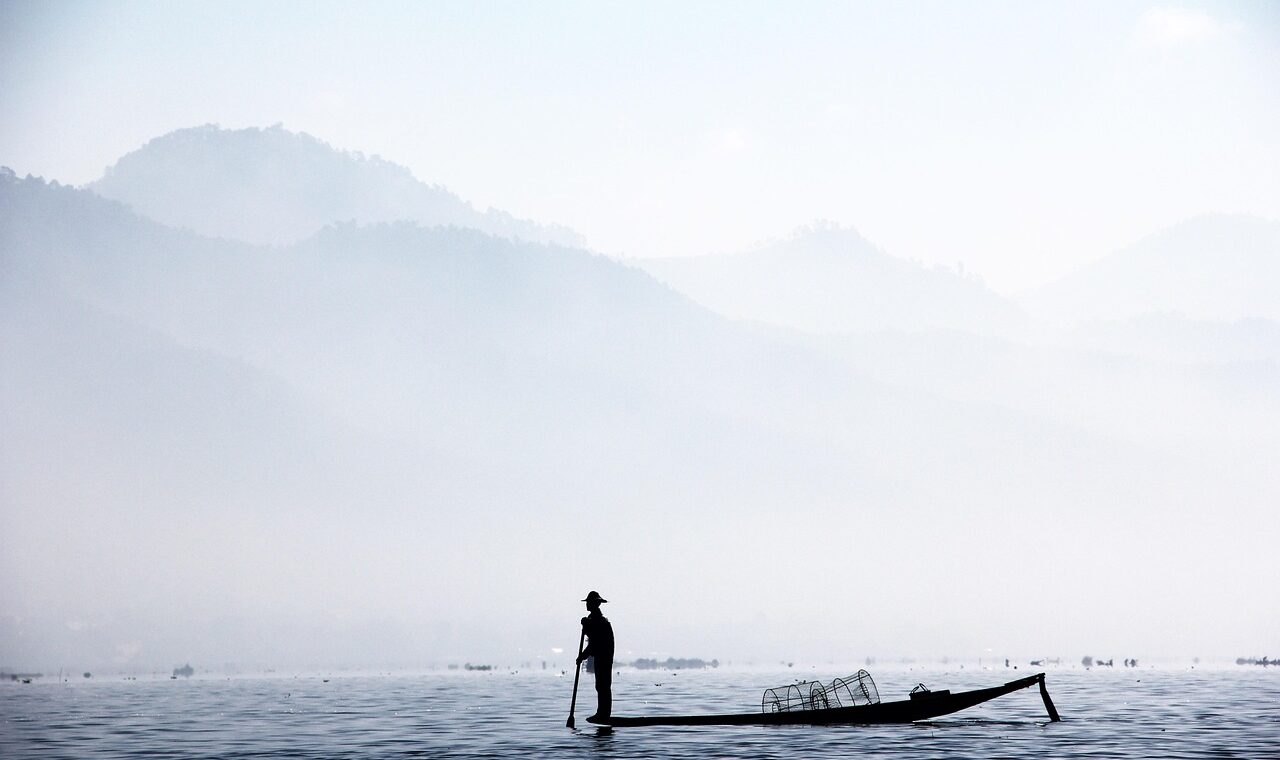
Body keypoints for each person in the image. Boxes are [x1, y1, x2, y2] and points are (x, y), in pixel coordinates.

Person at [577, 590, 614, 722]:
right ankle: (602, 712)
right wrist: (587, 626)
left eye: (589, 602)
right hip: (601, 657)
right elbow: (592, 637)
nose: (587, 605)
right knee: (601, 685)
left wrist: (582, 656)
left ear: (595, 604)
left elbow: (595, 642)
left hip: (604, 657)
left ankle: (604, 714)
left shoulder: (600, 621)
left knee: (603, 685)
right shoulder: (594, 620)